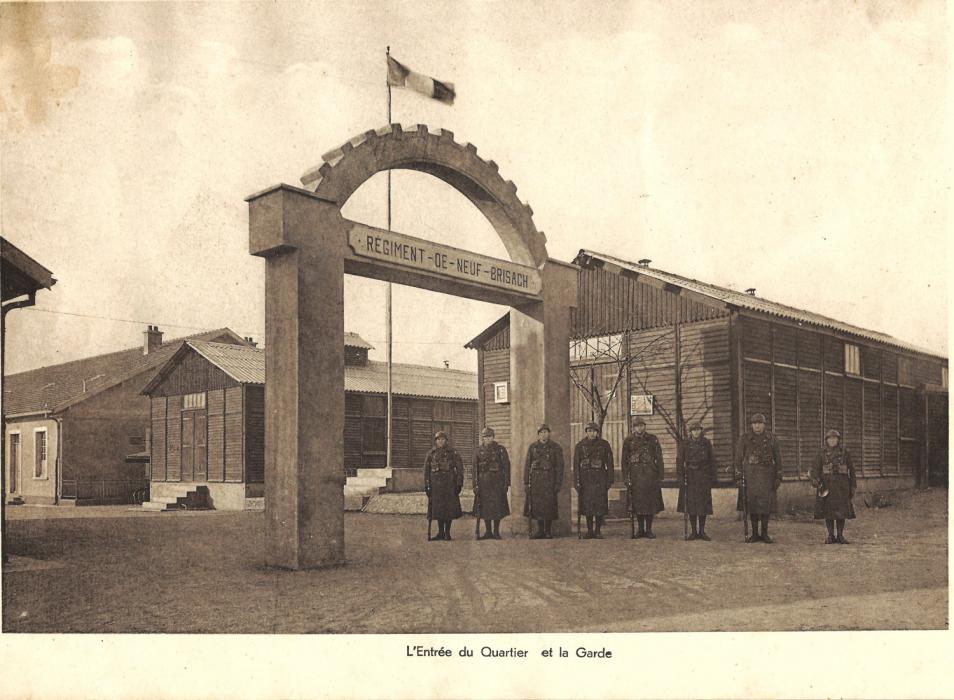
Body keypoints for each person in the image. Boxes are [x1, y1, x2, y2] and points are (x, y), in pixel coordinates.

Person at [734, 413, 783, 543]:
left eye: (760, 423)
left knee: (766, 505)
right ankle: (755, 533)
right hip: (751, 475)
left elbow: (778, 458)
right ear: (751, 425)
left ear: (764, 425)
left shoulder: (772, 438)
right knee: (753, 505)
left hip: (767, 475)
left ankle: (765, 533)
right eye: (754, 423)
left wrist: (778, 476)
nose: (757, 426)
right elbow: (738, 458)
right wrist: (738, 476)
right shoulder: (744, 438)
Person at [809, 429, 857, 544]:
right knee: (828, 512)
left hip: (842, 486)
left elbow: (852, 470)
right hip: (827, 485)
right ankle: (830, 535)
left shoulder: (845, 452)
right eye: (830, 438)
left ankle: (840, 535)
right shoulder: (821, 452)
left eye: (834, 438)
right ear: (826, 440)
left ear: (838, 440)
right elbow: (815, 468)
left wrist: (853, 485)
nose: (832, 440)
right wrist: (814, 479)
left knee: (842, 511)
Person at [621, 417, 665, 539]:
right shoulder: (629, 441)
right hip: (635, 476)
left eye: (641, 425)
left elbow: (659, 457)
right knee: (638, 504)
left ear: (644, 426)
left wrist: (660, 474)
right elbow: (624, 461)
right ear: (634, 428)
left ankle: (649, 529)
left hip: (650, 475)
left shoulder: (652, 439)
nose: (639, 428)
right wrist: (626, 477)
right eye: (637, 426)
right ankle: (640, 529)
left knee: (649, 504)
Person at [572, 422, 615, 539]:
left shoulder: (604, 445)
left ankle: (598, 530)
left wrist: (610, 479)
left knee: (599, 505)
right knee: (587, 506)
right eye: (589, 431)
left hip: (600, 478)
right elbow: (576, 465)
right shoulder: (580, 446)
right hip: (586, 479)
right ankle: (590, 530)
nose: (592, 433)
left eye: (594, 431)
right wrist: (576, 481)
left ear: (597, 432)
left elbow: (610, 463)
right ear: (586, 432)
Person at [523, 424, 565, 539]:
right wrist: (526, 482)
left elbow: (560, 466)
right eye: (541, 432)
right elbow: (527, 465)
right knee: (537, 506)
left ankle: (548, 531)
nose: (543, 434)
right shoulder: (533, 447)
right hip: (536, 481)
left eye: (546, 432)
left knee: (549, 505)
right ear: (538, 434)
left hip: (549, 480)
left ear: (549, 433)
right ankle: (540, 530)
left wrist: (557, 483)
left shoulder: (555, 447)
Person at [677, 422, 716, 541]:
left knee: (703, 504)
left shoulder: (706, 443)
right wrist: (680, 477)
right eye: (694, 430)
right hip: (690, 477)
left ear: (701, 430)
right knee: (691, 505)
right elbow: (679, 461)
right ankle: (694, 532)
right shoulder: (685, 444)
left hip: (703, 476)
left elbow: (712, 460)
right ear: (691, 432)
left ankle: (702, 531)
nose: (696, 432)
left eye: (698, 430)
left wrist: (712, 477)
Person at [424, 431, 464, 541]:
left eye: (442, 439)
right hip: (436, 486)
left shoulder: (453, 453)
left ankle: (447, 533)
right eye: (438, 439)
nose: (440, 441)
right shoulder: (431, 454)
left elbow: (460, 469)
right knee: (438, 510)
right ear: (435, 441)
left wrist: (459, 484)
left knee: (448, 510)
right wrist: (427, 486)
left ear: (446, 441)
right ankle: (440, 532)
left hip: (449, 485)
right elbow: (426, 471)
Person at [473, 427, 511, 540]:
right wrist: (474, 485)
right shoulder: (478, 451)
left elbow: (506, 468)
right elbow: (475, 470)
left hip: (497, 483)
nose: (487, 439)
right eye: (485, 437)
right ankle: (488, 531)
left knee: (497, 508)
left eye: (489, 436)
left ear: (493, 437)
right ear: (482, 438)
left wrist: (506, 484)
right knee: (485, 509)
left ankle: (496, 532)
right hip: (483, 483)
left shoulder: (500, 450)